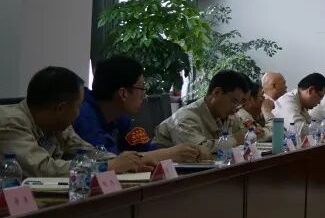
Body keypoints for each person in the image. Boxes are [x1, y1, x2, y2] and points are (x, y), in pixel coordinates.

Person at [0, 66, 155, 177]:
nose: (80, 112)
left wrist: (126, 161)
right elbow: (42, 168)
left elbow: (85, 151)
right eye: (78, 106)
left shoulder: (58, 124)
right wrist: (109, 166)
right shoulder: (10, 123)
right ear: (61, 108)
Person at [73, 56, 204, 162]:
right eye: (141, 89)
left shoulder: (120, 117)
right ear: (123, 94)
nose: (144, 96)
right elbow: (109, 161)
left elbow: (143, 149)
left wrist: (184, 152)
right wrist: (169, 154)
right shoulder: (83, 116)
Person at [155, 70, 249, 151]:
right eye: (234, 101)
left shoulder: (226, 115)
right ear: (216, 92)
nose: (236, 109)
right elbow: (198, 152)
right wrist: (234, 140)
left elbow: (245, 136)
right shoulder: (185, 119)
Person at [234, 78, 270, 142]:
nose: (264, 100)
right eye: (262, 96)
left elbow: (261, 133)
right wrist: (267, 111)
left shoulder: (248, 115)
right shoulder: (242, 114)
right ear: (250, 99)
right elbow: (273, 134)